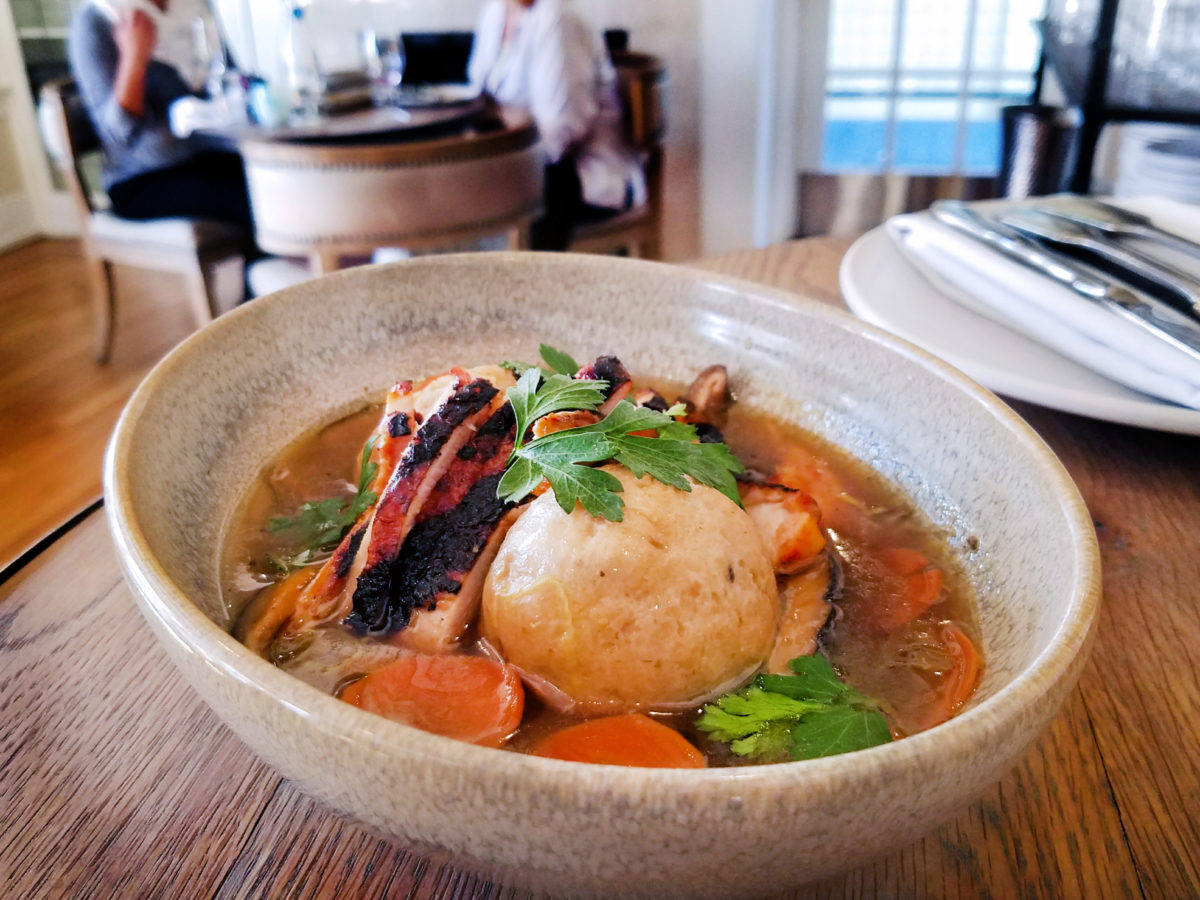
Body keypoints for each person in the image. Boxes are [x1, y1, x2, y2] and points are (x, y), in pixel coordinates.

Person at [468, 0, 646, 250]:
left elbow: (557, 136)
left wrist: (501, 132)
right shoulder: (494, 13)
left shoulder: (558, 18)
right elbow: (477, 100)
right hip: (528, 165)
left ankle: (529, 283)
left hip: (584, 180)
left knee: (509, 192)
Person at [68, 0, 254, 229]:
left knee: (276, 178)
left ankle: (266, 262)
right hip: (142, 179)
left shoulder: (193, 8)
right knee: (250, 195)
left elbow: (232, 79)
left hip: (209, 155)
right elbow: (118, 134)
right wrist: (135, 57)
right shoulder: (95, 21)